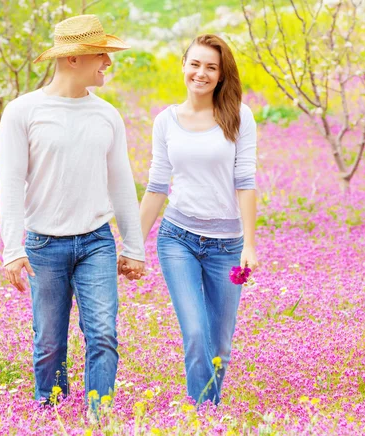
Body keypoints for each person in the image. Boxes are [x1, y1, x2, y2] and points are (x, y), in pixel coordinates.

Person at [0, 14, 145, 410]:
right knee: (48, 341)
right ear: (73, 59)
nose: (108, 63)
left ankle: (100, 418)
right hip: (44, 244)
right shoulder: (22, 112)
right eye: (101, 54)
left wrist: (134, 246)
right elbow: (10, 183)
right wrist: (12, 249)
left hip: (97, 241)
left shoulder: (107, 115)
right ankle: (51, 413)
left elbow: (121, 183)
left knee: (103, 334)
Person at [136, 34, 258, 405]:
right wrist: (132, 245)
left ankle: (208, 410)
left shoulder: (239, 115)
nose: (201, 73)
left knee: (220, 342)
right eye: (195, 64)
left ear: (221, 75)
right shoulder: (166, 121)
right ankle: (203, 415)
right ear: (183, 66)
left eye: (211, 67)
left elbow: (246, 180)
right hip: (178, 239)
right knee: (194, 333)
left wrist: (250, 244)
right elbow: (157, 185)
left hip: (227, 245)